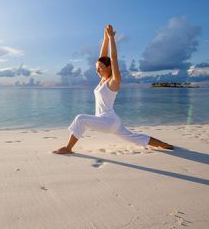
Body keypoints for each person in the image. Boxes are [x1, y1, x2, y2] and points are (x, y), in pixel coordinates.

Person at [53, 24, 173, 154]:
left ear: (109, 67)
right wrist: (105, 38)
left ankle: (68, 148)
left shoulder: (114, 81)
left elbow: (113, 57)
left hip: (108, 121)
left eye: (100, 68)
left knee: (80, 119)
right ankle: (164, 145)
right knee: (135, 137)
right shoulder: (103, 80)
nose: (98, 71)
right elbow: (102, 57)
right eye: (96, 69)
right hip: (110, 120)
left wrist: (111, 38)